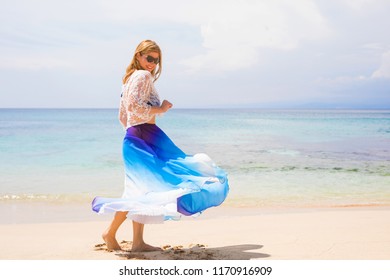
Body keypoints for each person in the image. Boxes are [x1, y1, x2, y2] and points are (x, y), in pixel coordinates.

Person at [92, 39, 229, 252]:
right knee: (142, 189)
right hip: (143, 136)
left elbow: (122, 115)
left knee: (142, 189)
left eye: (156, 61)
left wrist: (133, 132)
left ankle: (137, 242)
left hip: (136, 136)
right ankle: (110, 233)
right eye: (149, 58)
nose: (152, 64)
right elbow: (134, 108)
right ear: (138, 56)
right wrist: (161, 109)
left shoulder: (127, 79)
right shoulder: (142, 76)